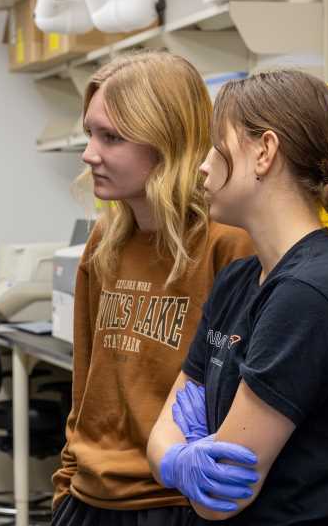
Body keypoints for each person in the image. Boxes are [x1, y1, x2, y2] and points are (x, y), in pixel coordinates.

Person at [147, 69, 328, 524]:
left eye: (217, 145)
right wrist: (177, 459)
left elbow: (219, 498)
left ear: (265, 151)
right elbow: (158, 439)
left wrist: (188, 445)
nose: (204, 165)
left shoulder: (309, 294)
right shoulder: (238, 279)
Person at [51, 51, 255, 526]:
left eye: (112, 137)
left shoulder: (228, 244)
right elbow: (86, 382)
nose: (89, 154)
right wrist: (66, 483)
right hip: (89, 499)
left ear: (167, 142)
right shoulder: (105, 239)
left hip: (174, 501)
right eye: (90, 133)